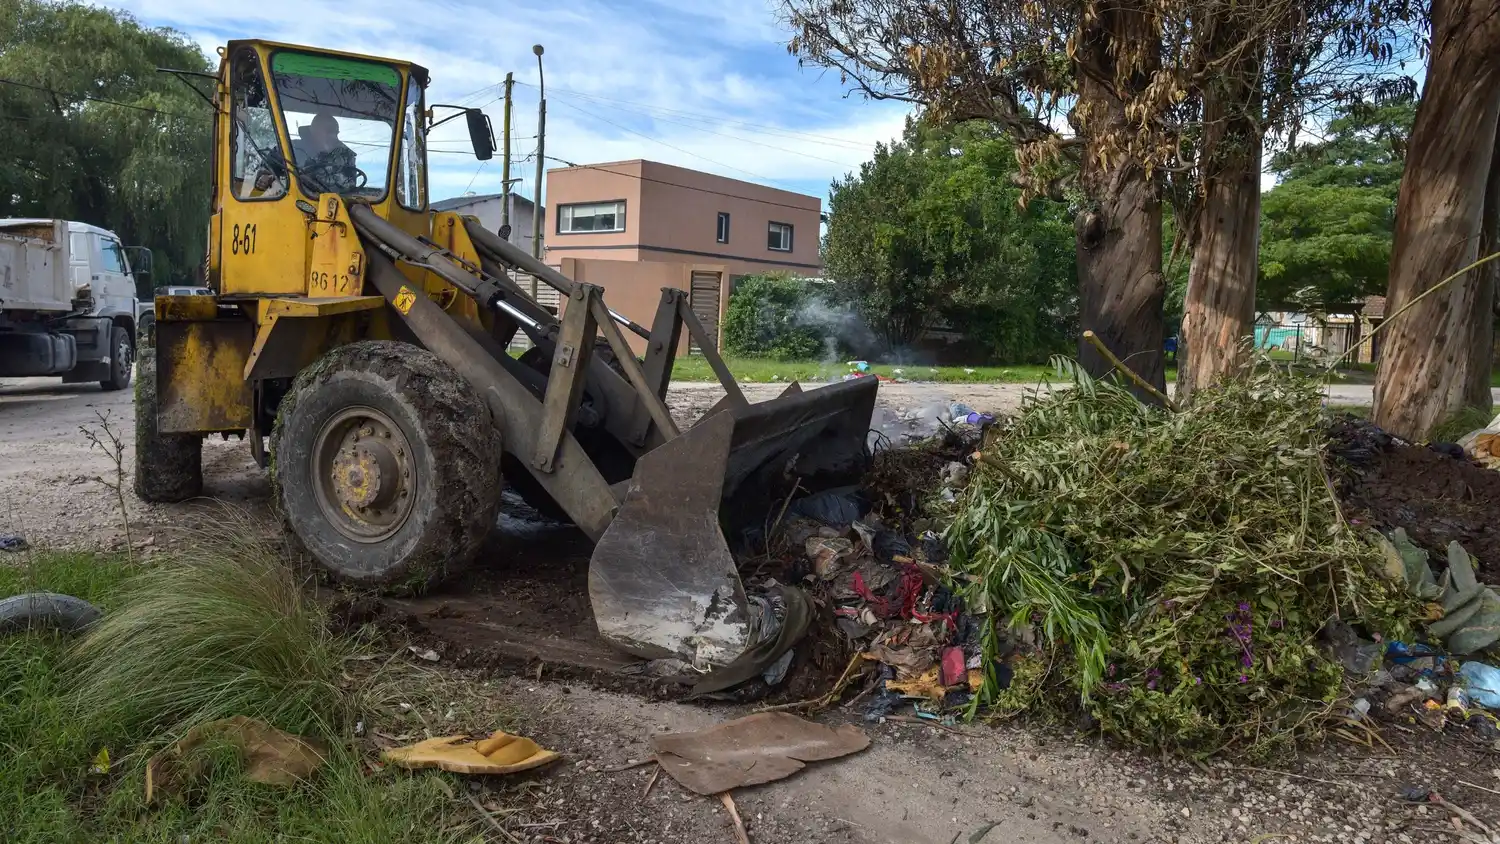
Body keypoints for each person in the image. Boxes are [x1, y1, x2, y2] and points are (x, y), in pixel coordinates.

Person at [295, 111, 359, 193]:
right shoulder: (292, 148)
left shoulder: (346, 155)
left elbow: (350, 188)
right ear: (313, 131)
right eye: (328, 131)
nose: (332, 136)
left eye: (335, 132)